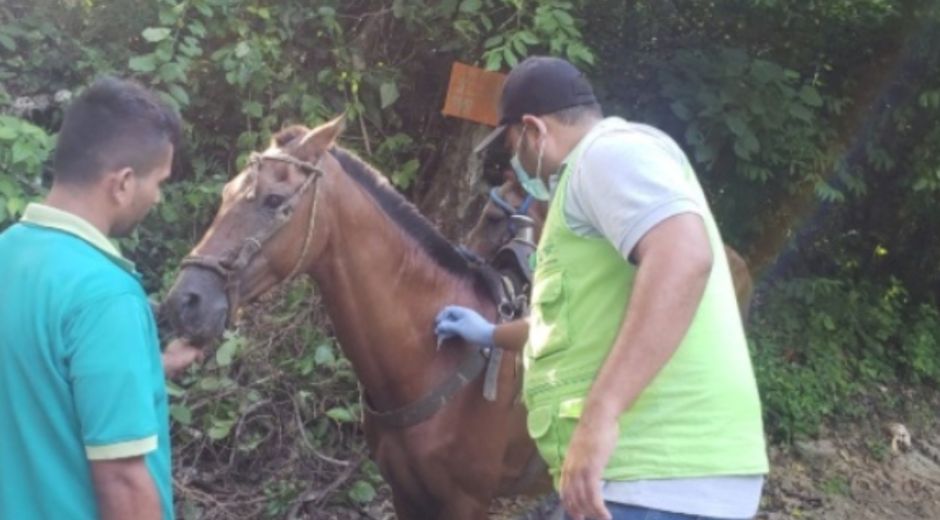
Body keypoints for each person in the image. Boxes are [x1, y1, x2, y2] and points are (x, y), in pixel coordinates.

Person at [435, 57, 769, 520]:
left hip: (656, 482)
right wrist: (488, 333)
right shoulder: (589, 183)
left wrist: (601, 414)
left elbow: (684, 256)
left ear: (533, 130)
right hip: (644, 484)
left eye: (510, 144)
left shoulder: (604, 154)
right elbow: (566, 326)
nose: (514, 160)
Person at [0, 77, 201, 520]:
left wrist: (154, 365)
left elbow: (38, 373)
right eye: (159, 181)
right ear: (124, 183)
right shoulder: (105, 295)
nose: (158, 197)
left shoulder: (10, 252)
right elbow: (123, 481)